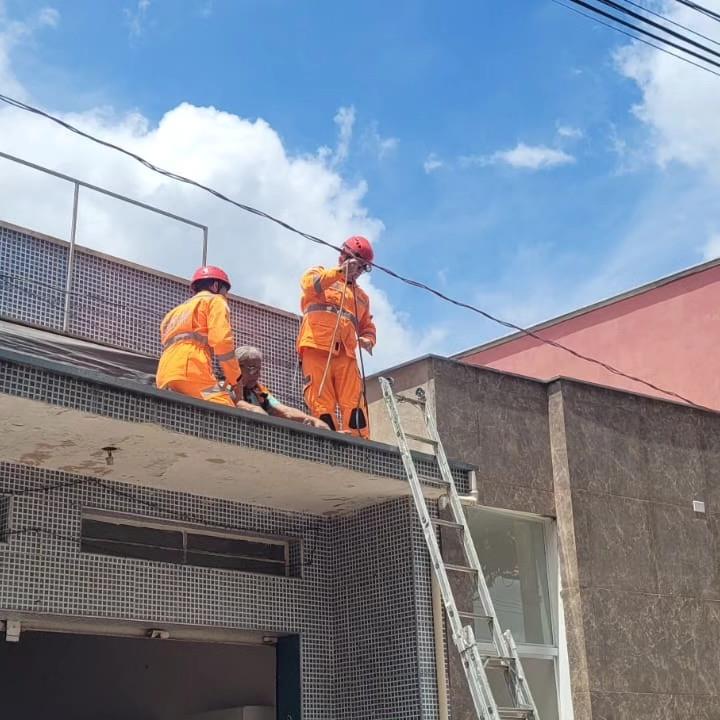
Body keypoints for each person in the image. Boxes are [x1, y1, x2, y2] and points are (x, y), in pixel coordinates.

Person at [296, 235, 376, 438]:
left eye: (362, 268)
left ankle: (361, 442)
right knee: (321, 399)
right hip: (316, 347)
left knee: (354, 401)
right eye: (357, 266)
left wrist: (368, 339)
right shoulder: (320, 274)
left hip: (346, 355)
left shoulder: (361, 297)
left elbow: (367, 326)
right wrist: (340, 272)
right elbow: (309, 285)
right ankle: (327, 438)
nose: (357, 272)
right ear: (344, 256)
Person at [156, 265, 240, 407]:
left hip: (165, 373)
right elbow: (221, 342)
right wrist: (236, 379)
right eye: (225, 291)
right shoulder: (215, 300)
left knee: (215, 394)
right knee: (226, 408)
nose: (226, 296)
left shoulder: (174, 312)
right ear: (215, 286)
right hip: (191, 371)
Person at [230, 346, 330, 429]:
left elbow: (283, 410)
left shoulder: (260, 391)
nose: (258, 375)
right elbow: (237, 402)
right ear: (237, 366)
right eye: (252, 369)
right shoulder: (226, 385)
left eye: (259, 370)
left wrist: (310, 420)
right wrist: (254, 410)